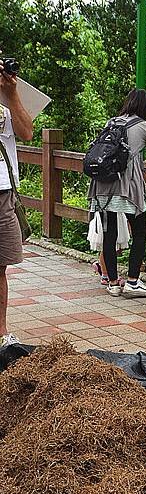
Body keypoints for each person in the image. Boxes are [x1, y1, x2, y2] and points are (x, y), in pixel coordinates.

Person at [88, 88, 146, 298]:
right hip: (126, 189)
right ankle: (133, 281)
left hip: (102, 185)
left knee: (110, 234)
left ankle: (112, 283)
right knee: (139, 232)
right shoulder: (145, 126)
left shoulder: (111, 122)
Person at [0, 58, 33, 347]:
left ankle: (1, 333)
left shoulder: (8, 96)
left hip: (3, 191)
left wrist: (11, 95)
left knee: (1, 265)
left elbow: (26, 132)